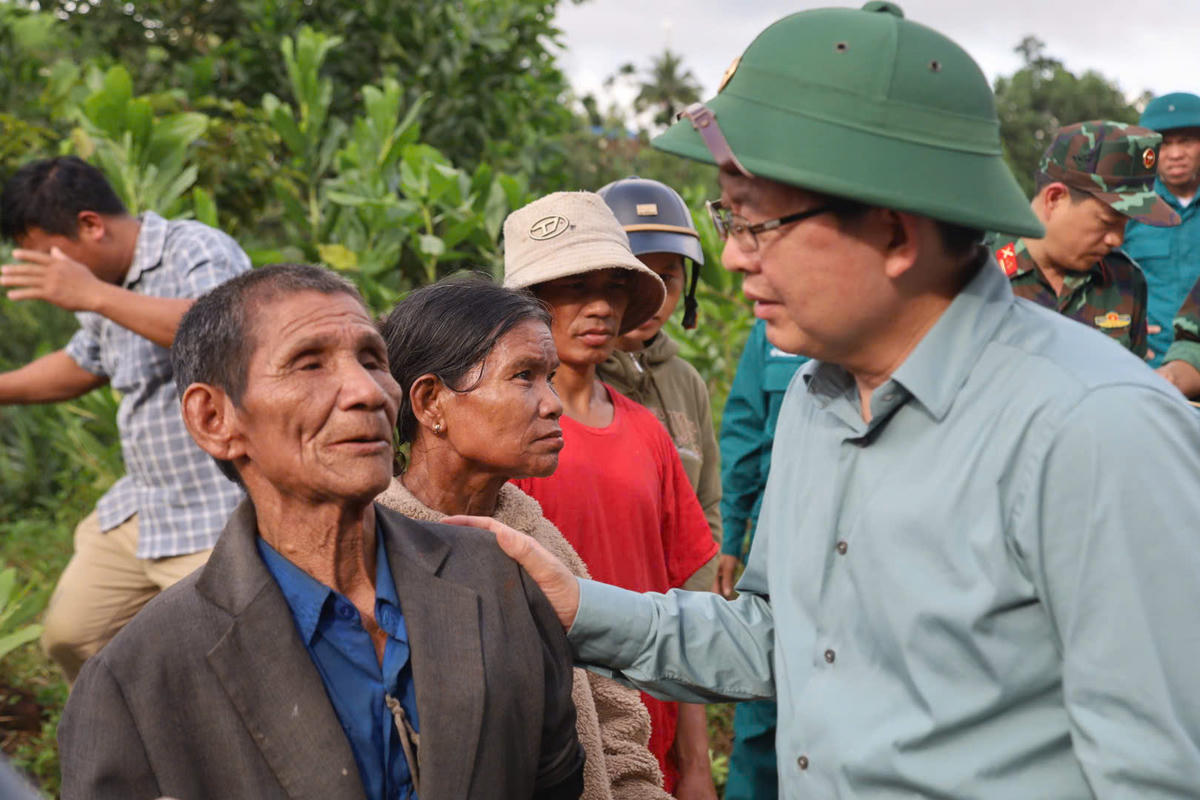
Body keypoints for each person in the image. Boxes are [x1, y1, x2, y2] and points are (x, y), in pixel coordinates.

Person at [453, 4, 1200, 797]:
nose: (733, 258)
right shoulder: (820, 396)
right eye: (727, 219)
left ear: (893, 233)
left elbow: (1156, 772)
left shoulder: (1097, 431)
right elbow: (781, 638)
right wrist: (580, 607)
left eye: (754, 222)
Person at [58, 264, 585, 800]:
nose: (366, 391)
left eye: (372, 360)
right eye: (309, 364)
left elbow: (556, 779)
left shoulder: (499, 579)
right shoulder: (138, 680)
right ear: (214, 418)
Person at [375, 276, 668, 800]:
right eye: (524, 376)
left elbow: (615, 721)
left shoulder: (539, 542)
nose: (554, 404)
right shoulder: (373, 555)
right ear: (430, 402)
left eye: (549, 378)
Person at [503, 192, 720, 797]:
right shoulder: (496, 436)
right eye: (574, 288)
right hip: (544, 745)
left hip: (651, 744)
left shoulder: (649, 433)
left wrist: (697, 765)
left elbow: (687, 607)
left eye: (614, 289)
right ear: (529, 301)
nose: (599, 307)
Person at [0, 156, 248, 682]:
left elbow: (229, 332)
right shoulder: (104, 286)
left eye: (48, 256)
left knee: (229, 662)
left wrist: (93, 294)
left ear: (90, 225)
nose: (51, 273)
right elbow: (78, 365)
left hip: (216, 508)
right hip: (144, 505)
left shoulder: (194, 248)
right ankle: (135, 739)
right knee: (70, 637)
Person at [595, 177, 723, 559]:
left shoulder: (687, 381)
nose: (651, 295)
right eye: (630, 275)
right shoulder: (569, 380)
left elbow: (709, 503)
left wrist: (701, 600)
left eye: (666, 277)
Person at [991, 120, 1180, 357]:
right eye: (1106, 222)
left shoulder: (1124, 279)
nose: (1117, 240)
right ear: (1055, 199)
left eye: (1125, 224)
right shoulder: (973, 269)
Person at [713, 318, 805, 800]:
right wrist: (731, 536)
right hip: (775, 542)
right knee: (759, 703)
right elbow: (745, 431)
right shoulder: (773, 325)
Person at [1124, 92, 1200, 371]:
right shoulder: (1128, 208)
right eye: (1163, 144)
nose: (1176, 154)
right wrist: (1119, 324)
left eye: (1187, 141)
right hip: (1148, 366)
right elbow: (1095, 276)